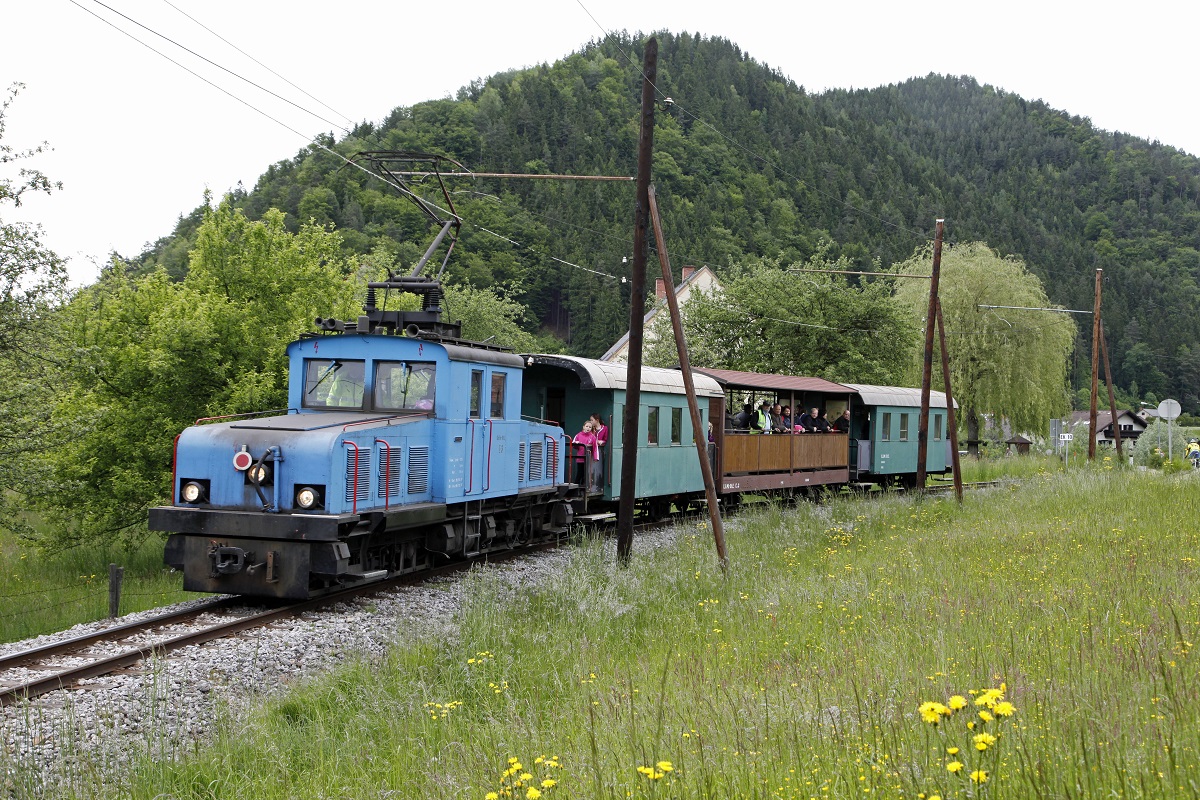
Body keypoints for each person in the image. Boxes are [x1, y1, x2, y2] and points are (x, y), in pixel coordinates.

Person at [572, 421, 599, 488]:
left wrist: (596, 458)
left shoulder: (593, 437)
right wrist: (576, 443)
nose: (588, 428)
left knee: (585, 475)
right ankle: (575, 488)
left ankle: (582, 489)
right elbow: (573, 444)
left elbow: (595, 448)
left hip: (588, 459)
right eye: (587, 426)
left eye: (590, 427)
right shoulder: (578, 435)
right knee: (579, 473)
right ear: (583, 427)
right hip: (580, 458)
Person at [589, 412, 609, 486]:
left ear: (597, 420)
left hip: (599, 451)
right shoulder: (591, 429)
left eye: (592, 420)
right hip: (591, 451)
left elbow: (605, 439)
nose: (591, 422)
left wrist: (601, 442)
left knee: (597, 468)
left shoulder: (604, 428)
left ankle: (596, 484)